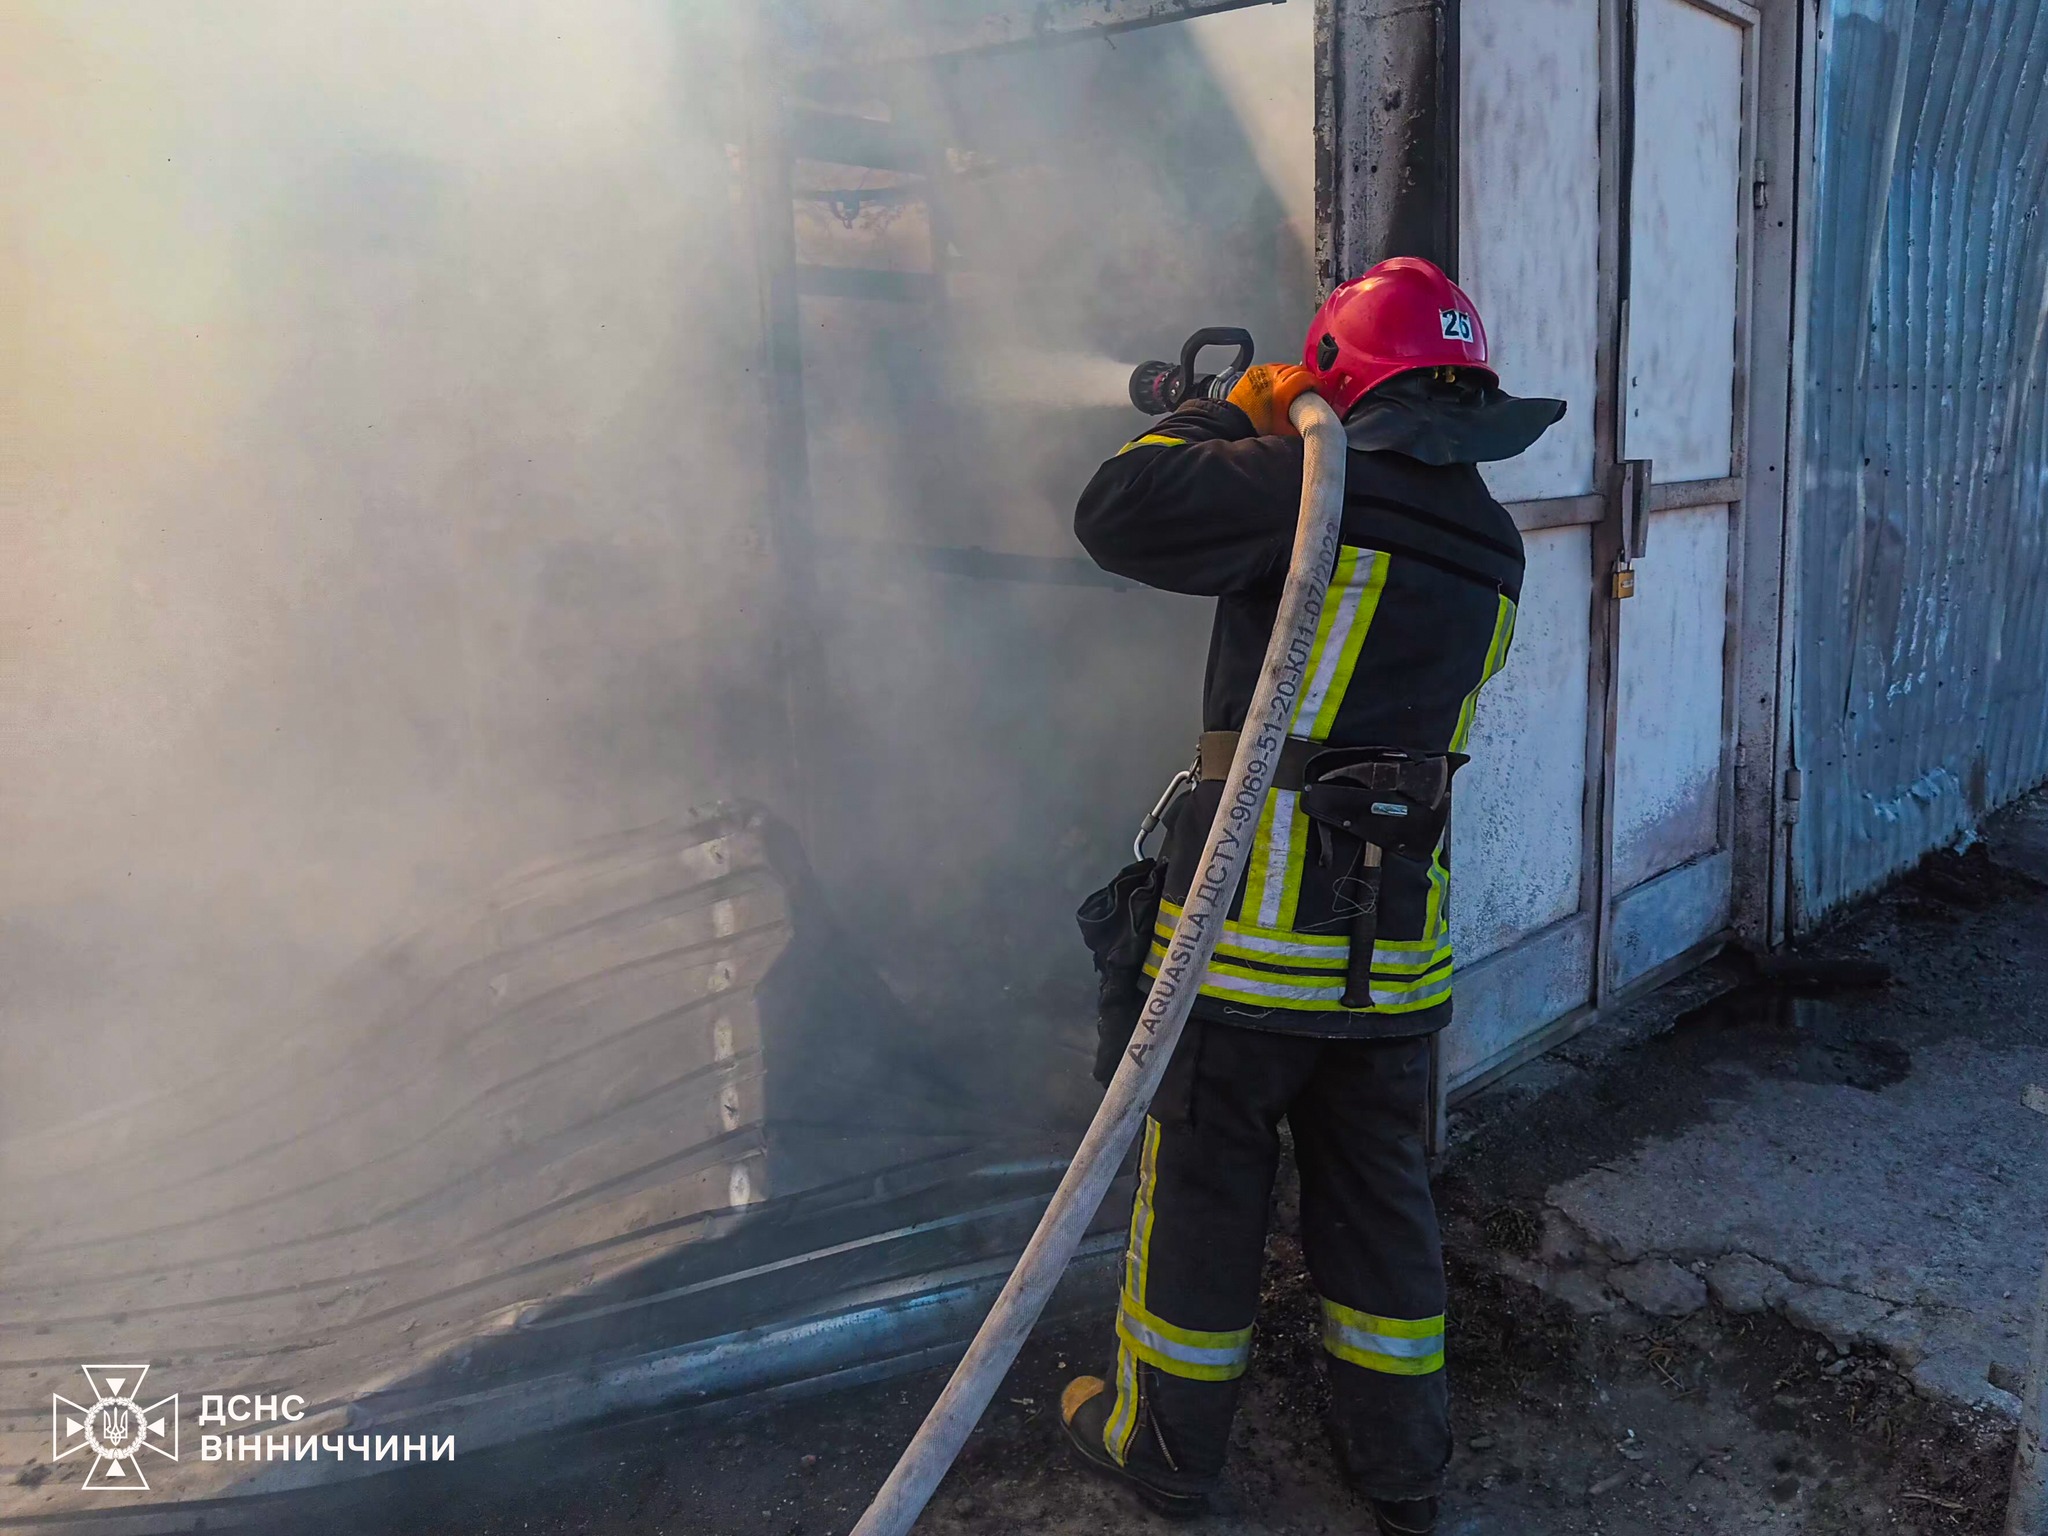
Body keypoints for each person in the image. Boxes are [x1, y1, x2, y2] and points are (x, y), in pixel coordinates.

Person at [1061, 257, 1564, 1535]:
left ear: (1338, 374)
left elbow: (1115, 509)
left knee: (1204, 1207)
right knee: (1377, 1207)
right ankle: (1402, 1474)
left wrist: (1225, 413)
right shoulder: (1492, 540)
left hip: (1241, 953)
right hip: (1392, 961)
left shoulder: (1307, 483)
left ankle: (1161, 1452)